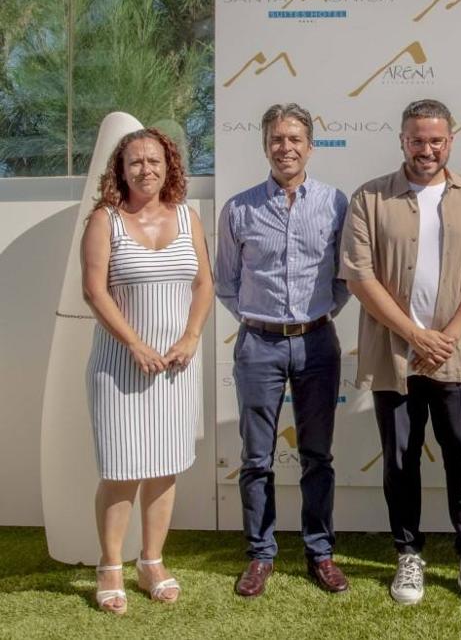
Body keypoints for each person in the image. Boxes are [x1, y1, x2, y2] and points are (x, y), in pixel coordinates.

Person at [340, 98, 461, 610]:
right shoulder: (370, 198)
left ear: (450, 141)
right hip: (396, 355)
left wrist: (446, 335)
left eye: (436, 140)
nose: (426, 149)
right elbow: (359, 276)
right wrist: (414, 334)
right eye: (417, 139)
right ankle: (408, 553)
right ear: (402, 141)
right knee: (401, 460)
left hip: (458, 355)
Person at [216, 103, 350, 597]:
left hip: (318, 342)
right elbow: (226, 282)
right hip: (258, 345)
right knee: (257, 458)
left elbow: (344, 279)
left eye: (295, 138)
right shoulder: (240, 207)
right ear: (265, 145)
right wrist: (260, 322)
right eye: (276, 138)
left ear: (310, 146)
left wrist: (316, 316)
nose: (285, 147)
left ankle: (320, 551)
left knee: (317, 455)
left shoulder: (336, 204)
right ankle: (260, 554)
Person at [82, 127, 213, 614]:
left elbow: (204, 282)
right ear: (121, 169)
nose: (146, 169)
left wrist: (191, 338)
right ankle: (110, 566)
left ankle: (152, 561)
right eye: (135, 161)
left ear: (169, 166)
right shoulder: (105, 220)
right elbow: (94, 291)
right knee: (121, 470)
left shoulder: (187, 216)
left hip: (176, 368)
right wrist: (135, 344)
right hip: (120, 367)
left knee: (164, 467)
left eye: (154, 161)